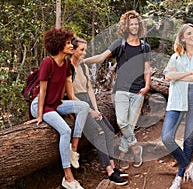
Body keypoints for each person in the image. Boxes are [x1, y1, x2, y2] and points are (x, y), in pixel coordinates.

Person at [83, 10, 151, 170]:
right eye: (131, 24)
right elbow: (101, 57)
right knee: (122, 123)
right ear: (126, 26)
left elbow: (147, 69)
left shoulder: (144, 46)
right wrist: (82, 61)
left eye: (136, 24)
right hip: (121, 90)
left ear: (139, 26)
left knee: (130, 126)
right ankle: (135, 149)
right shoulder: (119, 44)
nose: (134, 26)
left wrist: (147, 86)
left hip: (138, 91)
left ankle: (122, 155)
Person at [24, 27, 90, 189]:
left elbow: (68, 93)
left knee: (83, 106)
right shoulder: (47, 63)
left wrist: (72, 108)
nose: (71, 46)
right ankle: (68, 177)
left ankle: (73, 149)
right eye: (68, 43)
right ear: (59, 45)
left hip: (56, 104)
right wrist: (39, 116)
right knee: (65, 130)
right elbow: (43, 91)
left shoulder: (66, 63)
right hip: (41, 105)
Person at [70, 37, 128, 186]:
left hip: (88, 101)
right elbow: (71, 96)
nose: (84, 53)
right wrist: (89, 111)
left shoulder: (83, 67)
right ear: (73, 50)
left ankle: (113, 167)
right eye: (82, 50)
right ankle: (109, 172)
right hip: (77, 104)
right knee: (99, 133)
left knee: (108, 131)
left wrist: (96, 109)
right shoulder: (68, 68)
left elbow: (89, 89)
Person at [161, 23, 193, 189]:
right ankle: (190, 166)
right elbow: (168, 76)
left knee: (189, 140)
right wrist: (190, 73)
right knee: (167, 138)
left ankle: (179, 175)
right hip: (176, 98)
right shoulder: (176, 57)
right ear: (182, 38)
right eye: (189, 33)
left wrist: (180, 76)